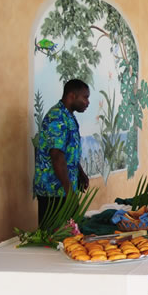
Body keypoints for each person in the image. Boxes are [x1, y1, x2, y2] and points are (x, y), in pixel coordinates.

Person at [33, 79, 90, 225]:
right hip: (53, 192)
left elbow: (69, 152)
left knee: (71, 239)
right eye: (85, 97)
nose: (87, 102)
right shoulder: (56, 117)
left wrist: (80, 173)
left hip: (65, 190)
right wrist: (69, 191)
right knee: (54, 241)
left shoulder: (68, 117)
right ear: (72, 96)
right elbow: (57, 155)